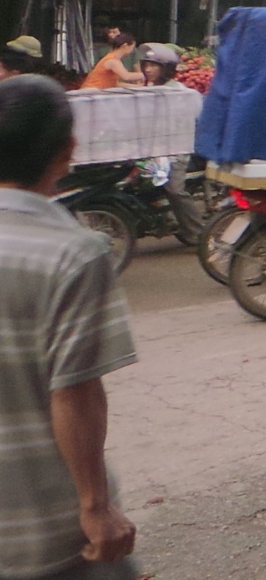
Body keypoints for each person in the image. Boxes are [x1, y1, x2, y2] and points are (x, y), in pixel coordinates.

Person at [0, 75, 140, 578]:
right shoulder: (74, 252)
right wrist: (95, 506)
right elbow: (75, 391)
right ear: (68, 150)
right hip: (45, 530)